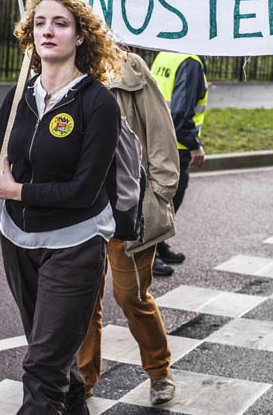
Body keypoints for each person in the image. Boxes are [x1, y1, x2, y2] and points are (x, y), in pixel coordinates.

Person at [0, 0, 124, 415]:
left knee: (41, 368)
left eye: (60, 23)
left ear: (81, 36)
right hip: (18, 244)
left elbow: (84, 190)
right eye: (39, 23)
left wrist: (17, 192)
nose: (47, 31)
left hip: (75, 246)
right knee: (55, 362)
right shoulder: (17, 97)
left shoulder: (99, 103)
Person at [76, 51, 180, 407]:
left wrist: (158, 197)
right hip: (79, 209)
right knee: (83, 299)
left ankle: (159, 369)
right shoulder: (62, 69)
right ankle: (83, 378)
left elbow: (161, 134)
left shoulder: (131, 71)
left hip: (126, 208)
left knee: (130, 295)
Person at [149, 51, 207, 266]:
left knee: (160, 198)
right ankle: (149, 251)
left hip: (156, 136)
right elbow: (181, 112)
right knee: (168, 199)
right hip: (175, 143)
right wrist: (194, 145)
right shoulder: (190, 62)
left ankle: (159, 245)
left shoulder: (165, 54)